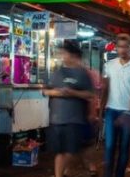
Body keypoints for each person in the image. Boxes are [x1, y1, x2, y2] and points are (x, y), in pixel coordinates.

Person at [44, 41, 94, 177]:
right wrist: (58, 92)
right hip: (56, 119)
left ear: (72, 55)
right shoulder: (57, 72)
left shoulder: (83, 74)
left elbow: (90, 94)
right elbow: (46, 91)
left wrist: (73, 93)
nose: (61, 56)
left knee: (71, 151)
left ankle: (62, 173)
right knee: (60, 152)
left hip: (75, 119)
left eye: (64, 53)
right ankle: (60, 174)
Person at [101, 34, 130, 177]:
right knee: (109, 146)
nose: (122, 50)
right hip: (111, 110)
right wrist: (100, 108)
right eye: (119, 46)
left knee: (125, 147)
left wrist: (129, 111)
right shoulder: (108, 65)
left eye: (125, 47)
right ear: (116, 48)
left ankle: (120, 174)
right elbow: (105, 89)